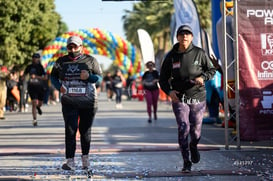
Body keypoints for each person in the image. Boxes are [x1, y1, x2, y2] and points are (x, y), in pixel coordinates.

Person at [159, 25, 216, 173]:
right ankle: (186, 161)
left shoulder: (199, 53)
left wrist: (203, 78)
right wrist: (169, 91)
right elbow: (163, 79)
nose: (185, 36)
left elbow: (211, 70)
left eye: (188, 34)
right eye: (182, 34)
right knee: (183, 128)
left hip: (198, 97)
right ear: (177, 37)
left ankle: (194, 146)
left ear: (191, 37)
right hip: (179, 98)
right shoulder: (171, 56)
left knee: (195, 131)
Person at [51, 35, 102, 170]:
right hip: (69, 102)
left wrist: (89, 77)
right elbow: (53, 76)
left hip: (88, 103)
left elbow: (100, 79)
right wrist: (58, 87)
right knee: (70, 130)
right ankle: (70, 161)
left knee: (85, 131)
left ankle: (85, 159)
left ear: (81, 47)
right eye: (70, 47)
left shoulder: (91, 60)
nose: (72, 49)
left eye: (75, 46)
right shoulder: (61, 62)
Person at [24, 53, 47, 126]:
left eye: (36, 57)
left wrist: (36, 77)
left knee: (40, 103)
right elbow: (24, 75)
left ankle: (38, 107)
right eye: (34, 57)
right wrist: (23, 78)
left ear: (39, 59)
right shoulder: (29, 67)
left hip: (40, 87)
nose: (35, 59)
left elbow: (45, 77)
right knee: (34, 103)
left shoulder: (41, 67)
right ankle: (34, 119)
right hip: (31, 87)